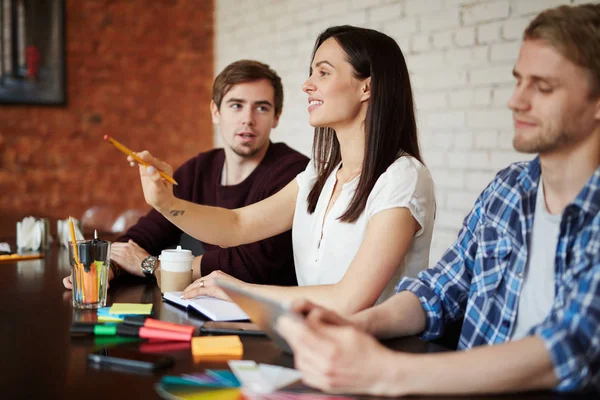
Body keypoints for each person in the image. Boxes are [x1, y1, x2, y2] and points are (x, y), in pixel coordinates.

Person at [277, 3, 600, 396]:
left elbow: (569, 346)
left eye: (543, 87)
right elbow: (438, 291)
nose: (516, 100)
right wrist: (360, 325)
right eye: (518, 81)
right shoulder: (508, 190)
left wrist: (386, 372)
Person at [133, 26, 436, 314]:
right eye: (311, 72)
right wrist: (167, 203)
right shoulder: (320, 174)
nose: (307, 84)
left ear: (366, 87)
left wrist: (243, 293)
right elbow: (237, 225)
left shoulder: (402, 178)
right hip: (313, 342)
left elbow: (348, 300)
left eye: (323, 72)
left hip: (376, 356)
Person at [63, 60, 309, 290]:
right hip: (210, 305)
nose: (248, 119)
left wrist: (153, 266)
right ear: (215, 111)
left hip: (271, 314)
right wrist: (109, 269)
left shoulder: (294, 171)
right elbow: (147, 233)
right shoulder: (200, 168)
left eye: (262, 108)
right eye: (236, 105)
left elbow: (254, 262)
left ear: (276, 116)